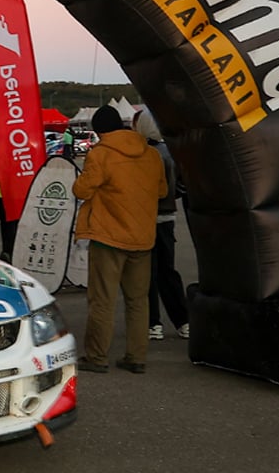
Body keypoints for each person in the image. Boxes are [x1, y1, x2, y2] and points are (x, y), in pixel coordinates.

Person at [73, 105, 167, 375]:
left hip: (108, 237)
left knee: (102, 300)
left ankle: (97, 357)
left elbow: (81, 189)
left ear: (99, 130)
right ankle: (137, 357)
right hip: (143, 238)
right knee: (138, 301)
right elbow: (161, 190)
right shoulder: (150, 154)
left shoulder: (100, 154)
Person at [134, 110, 190, 341]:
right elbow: (183, 186)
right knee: (168, 271)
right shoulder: (172, 153)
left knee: (146, 274)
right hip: (167, 218)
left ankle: (152, 324)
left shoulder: (139, 154)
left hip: (142, 219)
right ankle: (183, 321)